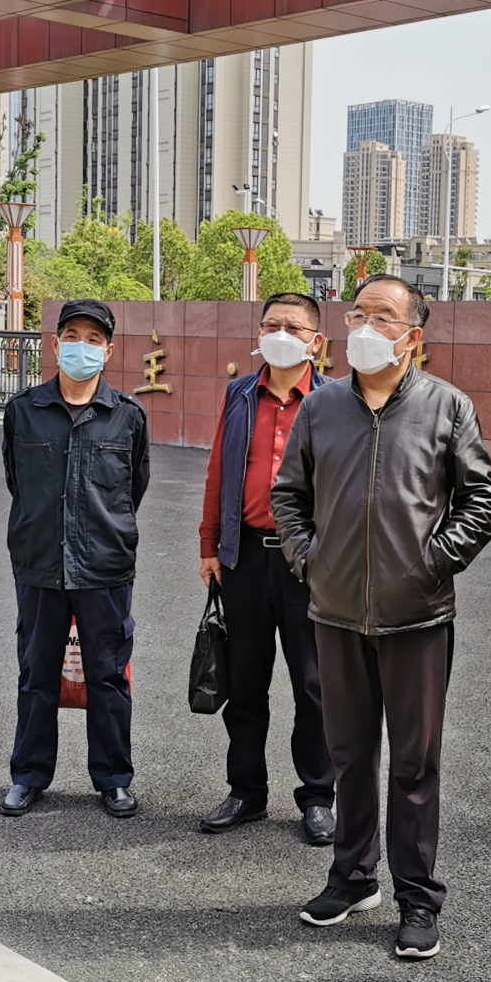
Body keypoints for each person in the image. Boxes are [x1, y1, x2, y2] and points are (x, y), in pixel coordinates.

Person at [272, 274, 491, 962]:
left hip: (417, 617)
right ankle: (351, 878)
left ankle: (418, 896)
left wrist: (434, 561)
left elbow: (483, 499)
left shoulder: (446, 406)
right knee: (348, 756)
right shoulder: (321, 406)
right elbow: (289, 494)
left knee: (414, 762)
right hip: (335, 612)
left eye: (383, 317)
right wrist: (309, 561)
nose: (366, 328)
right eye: (358, 314)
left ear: (412, 335)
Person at [1, 299, 150, 819]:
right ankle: (28, 775)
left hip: (105, 566)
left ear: (108, 351)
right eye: (72, 336)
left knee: (107, 677)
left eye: (93, 339)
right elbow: (17, 482)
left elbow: (133, 489)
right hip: (39, 563)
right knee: (36, 674)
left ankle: (113, 779)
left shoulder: (127, 415)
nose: (81, 347)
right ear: (54, 343)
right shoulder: (23, 410)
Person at [197, 293, 335, 843]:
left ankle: (318, 797)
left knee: (315, 686)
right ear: (257, 333)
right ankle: (246, 791)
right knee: (245, 682)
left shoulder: (335, 400)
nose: (281, 334)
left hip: (311, 562)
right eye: (271, 324)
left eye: (294, 327)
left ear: (315, 341)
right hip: (245, 558)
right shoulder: (239, 394)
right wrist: (209, 545)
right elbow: (218, 471)